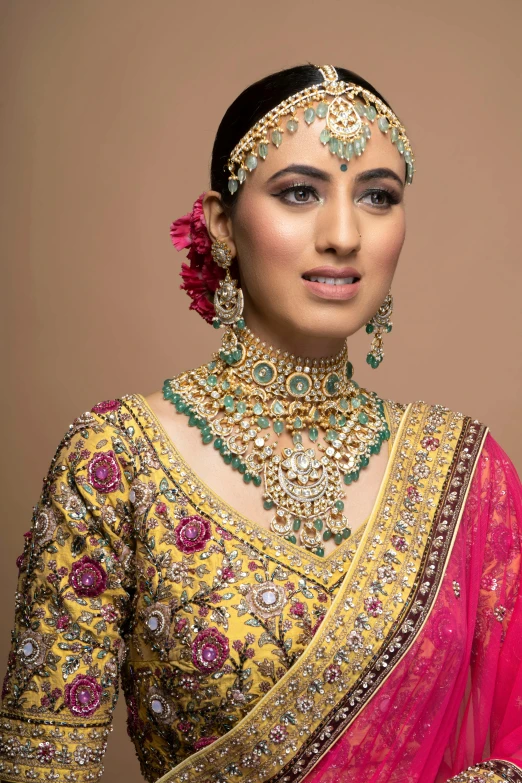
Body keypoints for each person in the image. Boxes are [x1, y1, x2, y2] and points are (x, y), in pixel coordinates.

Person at [0, 63, 520, 783]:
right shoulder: (115, 461)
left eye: (377, 196)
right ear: (220, 224)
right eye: (300, 192)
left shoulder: (466, 471)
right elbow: (40, 768)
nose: (343, 235)